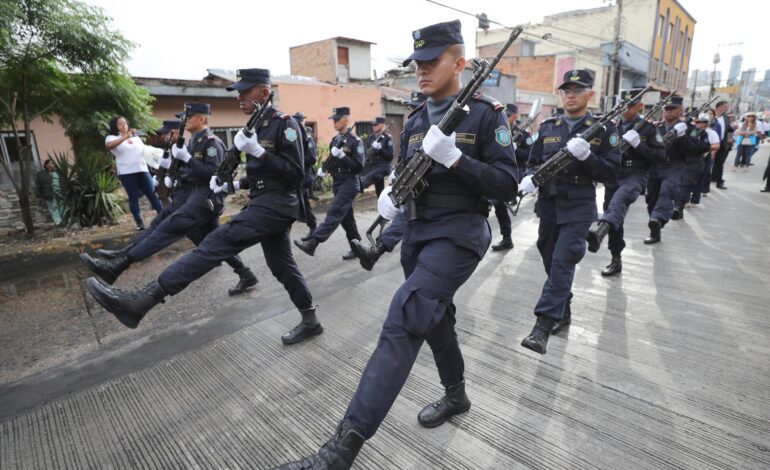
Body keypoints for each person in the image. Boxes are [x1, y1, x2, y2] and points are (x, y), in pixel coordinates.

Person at [277, 20, 518, 469]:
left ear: (460, 63)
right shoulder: (414, 121)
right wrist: (384, 231)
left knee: (405, 317)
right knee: (435, 319)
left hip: (460, 235)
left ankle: (340, 450)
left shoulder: (487, 114)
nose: (421, 71)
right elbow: (408, 190)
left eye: (431, 62)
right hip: (419, 238)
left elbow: (508, 184)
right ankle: (457, 395)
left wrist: (457, 159)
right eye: (417, 64)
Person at [85, 69, 321, 345]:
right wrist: (233, 185)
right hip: (264, 202)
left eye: (245, 92)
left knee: (215, 244)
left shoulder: (285, 124)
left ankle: (142, 302)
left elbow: (295, 175)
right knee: (281, 265)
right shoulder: (255, 126)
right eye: (238, 93)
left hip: (277, 206)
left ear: (264, 93)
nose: (240, 98)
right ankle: (310, 320)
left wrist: (258, 152)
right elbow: (264, 177)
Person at [81, 103, 259, 296]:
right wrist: (172, 173)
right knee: (211, 241)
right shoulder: (192, 142)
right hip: (192, 196)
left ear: (202, 119)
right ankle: (245, 273)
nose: (185, 120)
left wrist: (186, 161)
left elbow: (212, 174)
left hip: (205, 199)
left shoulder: (211, 142)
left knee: (169, 226)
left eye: (189, 117)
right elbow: (189, 172)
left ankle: (120, 264)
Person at [518, 69, 620, 354]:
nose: (571, 94)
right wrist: (528, 178)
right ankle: (563, 305)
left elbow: (612, 173)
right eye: (567, 90)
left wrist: (588, 157)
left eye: (578, 89)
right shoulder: (549, 126)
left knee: (563, 262)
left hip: (578, 207)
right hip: (548, 206)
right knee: (550, 259)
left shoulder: (603, 129)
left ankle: (542, 326)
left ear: (591, 94)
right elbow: (532, 161)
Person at [586, 88, 663, 277]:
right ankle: (615, 258)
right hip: (614, 174)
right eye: (623, 105)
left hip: (635, 174)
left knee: (619, 201)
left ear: (640, 106)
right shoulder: (611, 126)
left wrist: (639, 145)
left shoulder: (649, 128)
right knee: (615, 214)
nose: (625, 109)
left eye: (630, 105)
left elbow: (659, 157)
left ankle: (602, 226)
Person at [293, 107, 364, 261]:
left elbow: (360, 167)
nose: (334, 122)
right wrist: (324, 169)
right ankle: (358, 248)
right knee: (347, 219)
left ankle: (314, 242)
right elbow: (331, 160)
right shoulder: (335, 140)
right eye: (333, 120)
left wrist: (344, 157)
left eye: (337, 119)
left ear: (346, 119)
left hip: (349, 182)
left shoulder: (355, 141)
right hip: (338, 182)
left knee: (335, 211)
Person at [644, 96, 707, 243]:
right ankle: (655, 229)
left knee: (667, 192)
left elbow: (698, 149)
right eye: (667, 109)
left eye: (673, 109)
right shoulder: (656, 127)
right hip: (656, 167)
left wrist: (682, 136)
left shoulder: (689, 129)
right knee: (651, 200)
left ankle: (658, 219)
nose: (669, 112)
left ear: (681, 110)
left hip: (675, 166)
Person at [105, 116, 165, 230]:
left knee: (152, 193)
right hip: (127, 172)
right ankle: (139, 222)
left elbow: (144, 150)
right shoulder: (111, 137)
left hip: (142, 169)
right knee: (134, 197)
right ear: (115, 126)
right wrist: (126, 137)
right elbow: (110, 146)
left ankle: (163, 217)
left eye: (125, 123)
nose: (124, 126)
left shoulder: (136, 138)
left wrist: (157, 156)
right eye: (120, 124)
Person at [490, 103, 529, 251]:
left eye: (509, 115)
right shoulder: (496, 129)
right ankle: (506, 238)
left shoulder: (524, 134)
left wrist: (516, 149)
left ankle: (507, 238)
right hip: (495, 170)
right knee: (497, 205)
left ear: (515, 116)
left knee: (499, 204)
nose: (505, 118)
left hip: (514, 173)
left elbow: (529, 156)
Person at [672, 111, 711, 220]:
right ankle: (679, 208)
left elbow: (706, 147)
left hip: (694, 163)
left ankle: (677, 207)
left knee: (685, 186)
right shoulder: (674, 129)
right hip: (678, 162)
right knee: (679, 186)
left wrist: (690, 142)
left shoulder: (700, 132)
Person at [293, 112, 318, 238]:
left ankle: (284, 231)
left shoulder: (307, 138)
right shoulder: (295, 136)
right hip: (299, 177)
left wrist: (298, 159)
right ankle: (313, 227)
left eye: (300, 122)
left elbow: (312, 158)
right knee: (304, 204)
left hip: (305, 177)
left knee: (294, 203)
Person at [688, 114, 721, 207]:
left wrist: (704, 149)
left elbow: (716, 145)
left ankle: (694, 200)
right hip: (691, 156)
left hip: (704, 157)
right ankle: (685, 199)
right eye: (696, 122)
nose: (697, 124)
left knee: (700, 178)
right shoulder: (691, 131)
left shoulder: (711, 133)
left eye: (700, 122)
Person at [359, 116, 394, 198]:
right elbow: (370, 152)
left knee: (368, 178)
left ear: (382, 125)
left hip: (384, 166)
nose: (373, 127)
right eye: (373, 125)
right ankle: (383, 208)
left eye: (376, 125)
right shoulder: (372, 137)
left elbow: (390, 156)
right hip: (375, 166)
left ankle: (359, 187)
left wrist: (380, 148)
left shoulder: (387, 138)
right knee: (380, 193)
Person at [34, 158, 63, 225]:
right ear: (46, 165)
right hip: (49, 195)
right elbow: (38, 185)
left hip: (60, 194)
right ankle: (58, 223)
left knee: (62, 208)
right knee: (53, 210)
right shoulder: (41, 174)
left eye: (53, 163)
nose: (53, 164)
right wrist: (38, 196)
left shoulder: (59, 172)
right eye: (51, 163)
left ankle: (65, 221)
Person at [711, 100, 732, 190]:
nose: (727, 108)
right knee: (708, 164)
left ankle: (719, 182)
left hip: (722, 144)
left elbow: (729, 129)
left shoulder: (725, 117)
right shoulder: (711, 116)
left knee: (720, 164)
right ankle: (705, 183)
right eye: (725, 106)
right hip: (710, 145)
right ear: (719, 107)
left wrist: (731, 135)